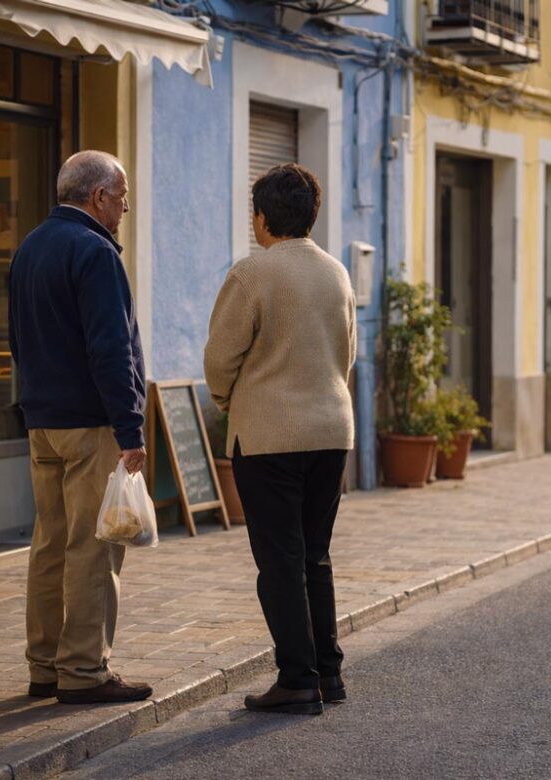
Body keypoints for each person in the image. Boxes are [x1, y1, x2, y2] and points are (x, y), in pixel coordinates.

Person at [204, 163, 357, 715]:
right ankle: (328, 674)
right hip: (331, 430)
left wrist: (230, 403)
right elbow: (348, 354)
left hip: (268, 436)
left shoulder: (252, 274)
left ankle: (296, 679)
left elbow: (219, 360)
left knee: (279, 562)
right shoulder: (338, 273)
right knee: (314, 556)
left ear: (263, 217)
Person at [8, 150, 152, 705]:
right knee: (94, 548)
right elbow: (111, 347)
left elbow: (18, 340)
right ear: (98, 197)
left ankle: (44, 665)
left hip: (42, 422)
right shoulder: (94, 252)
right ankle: (85, 671)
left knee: (49, 545)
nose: (124, 209)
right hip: (90, 425)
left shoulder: (30, 247)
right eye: (121, 199)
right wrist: (130, 427)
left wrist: (35, 404)